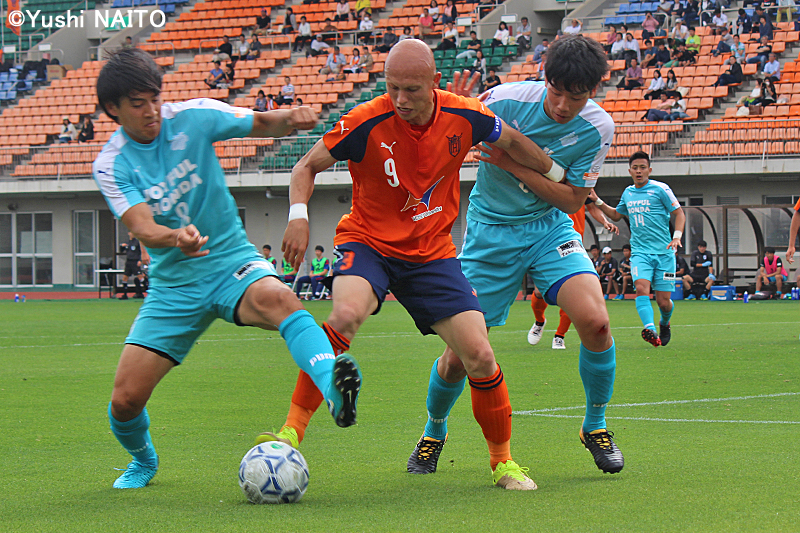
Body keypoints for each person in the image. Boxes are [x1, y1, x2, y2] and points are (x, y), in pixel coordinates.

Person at [260, 39, 555, 490]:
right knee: (345, 315)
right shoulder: (365, 120)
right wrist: (299, 216)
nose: (401, 100)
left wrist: (556, 174)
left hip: (432, 254)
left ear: (435, 83)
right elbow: (305, 166)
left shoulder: (465, 114)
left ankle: (503, 464)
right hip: (368, 242)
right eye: (393, 88)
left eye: (412, 90)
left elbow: (512, 140)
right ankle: (291, 433)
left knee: (478, 354)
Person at [92, 48, 361, 489]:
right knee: (124, 401)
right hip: (173, 288)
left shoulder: (192, 117)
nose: (151, 111)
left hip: (231, 260)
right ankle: (143, 461)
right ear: (112, 110)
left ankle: (333, 387)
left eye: (154, 98)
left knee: (280, 298)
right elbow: (142, 225)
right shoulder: (112, 163)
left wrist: (291, 116)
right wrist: (174, 237)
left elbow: (259, 123)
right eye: (137, 104)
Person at [444, 35, 625, 476]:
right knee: (459, 355)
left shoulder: (599, 129)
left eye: (576, 96)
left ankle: (595, 426)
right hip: (491, 231)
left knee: (597, 321)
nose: (563, 105)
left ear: (594, 91)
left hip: (549, 229)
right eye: (556, 91)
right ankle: (434, 430)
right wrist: (455, 110)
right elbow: (446, 129)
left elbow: (569, 201)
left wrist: (511, 164)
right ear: (544, 77)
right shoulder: (504, 100)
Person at [594, 151, 686, 347]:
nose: (639, 171)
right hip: (640, 253)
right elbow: (617, 215)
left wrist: (676, 237)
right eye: (635, 168)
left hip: (664, 253)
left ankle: (664, 322)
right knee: (642, 289)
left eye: (642, 167)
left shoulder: (661, 189)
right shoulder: (628, 193)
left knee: (663, 302)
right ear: (629, 171)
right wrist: (597, 201)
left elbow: (679, 214)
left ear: (649, 170)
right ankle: (650, 329)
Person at [528, 197, 620, 348]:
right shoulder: (547, 181)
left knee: (572, 291)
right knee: (539, 292)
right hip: (547, 242)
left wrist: (604, 222)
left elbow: (592, 207)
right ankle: (539, 321)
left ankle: (559, 336)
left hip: (572, 244)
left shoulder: (581, 181)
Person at [119, 230, 148, 299]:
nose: (132, 234)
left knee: (140, 277)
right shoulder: (128, 243)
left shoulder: (137, 242)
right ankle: (125, 294)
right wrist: (122, 246)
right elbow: (121, 251)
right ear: (129, 233)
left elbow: (141, 251)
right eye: (131, 232)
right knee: (125, 277)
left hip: (135, 262)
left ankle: (148, 292)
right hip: (128, 262)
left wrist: (140, 260)